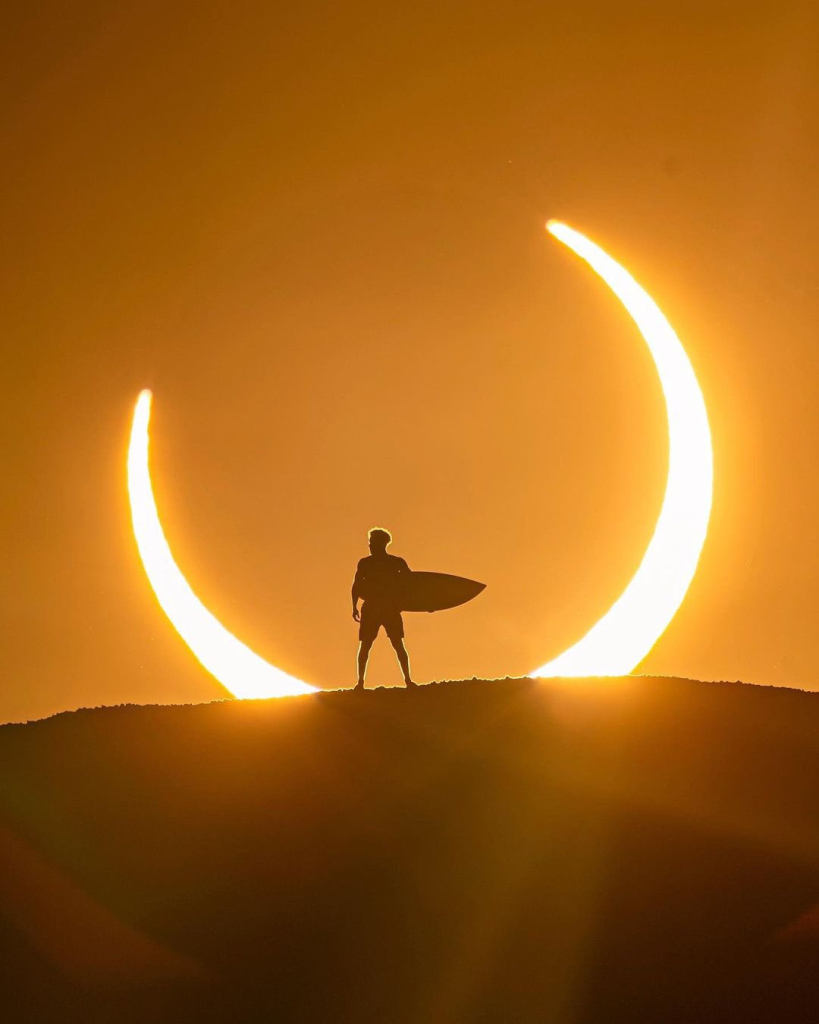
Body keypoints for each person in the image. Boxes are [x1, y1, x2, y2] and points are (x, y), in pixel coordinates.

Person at [352, 528, 415, 689]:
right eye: (370, 543)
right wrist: (354, 606)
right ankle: (360, 682)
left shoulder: (396, 563)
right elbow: (356, 585)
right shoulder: (365, 563)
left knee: (398, 644)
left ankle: (408, 680)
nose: (370, 546)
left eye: (372, 543)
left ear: (382, 544)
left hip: (389, 608)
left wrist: (419, 603)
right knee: (365, 645)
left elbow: (412, 584)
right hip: (372, 608)